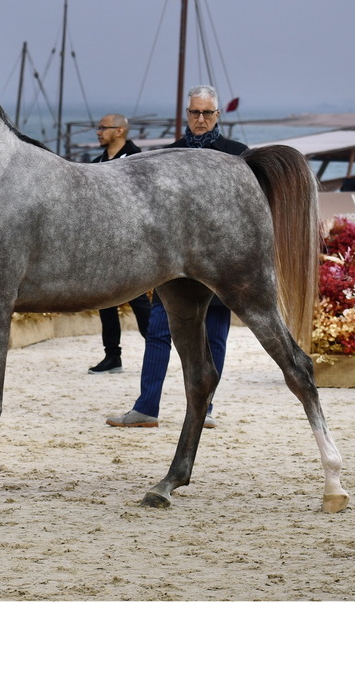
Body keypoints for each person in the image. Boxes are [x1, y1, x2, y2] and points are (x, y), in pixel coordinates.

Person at [106, 84, 248, 429]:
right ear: (187, 114)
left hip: (218, 262)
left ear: (217, 115)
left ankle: (205, 408)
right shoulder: (170, 154)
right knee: (158, 333)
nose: (200, 119)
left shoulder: (237, 155)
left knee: (214, 337)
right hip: (171, 264)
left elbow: (247, 213)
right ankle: (146, 408)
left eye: (207, 113)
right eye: (195, 112)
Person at [88, 113, 153, 373]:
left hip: (132, 243)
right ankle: (112, 356)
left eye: (103, 127)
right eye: (98, 127)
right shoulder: (97, 163)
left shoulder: (138, 160)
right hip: (103, 243)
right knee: (106, 301)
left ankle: (157, 347)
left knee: (138, 298)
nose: (98, 132)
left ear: (119, 131)